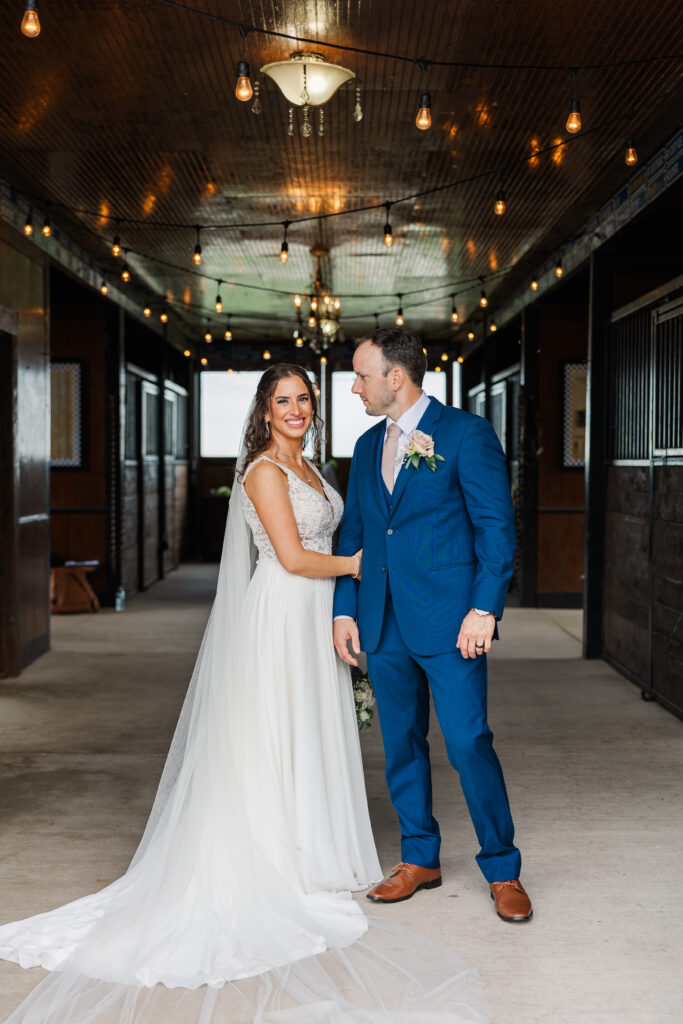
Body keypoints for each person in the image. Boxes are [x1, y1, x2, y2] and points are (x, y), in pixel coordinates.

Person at [0, 365, 484, 1024]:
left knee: (309, 733)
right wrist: (368, 565)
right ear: (263, 409)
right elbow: (291, 556)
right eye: (282, 400)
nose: (295, 409)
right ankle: (277, 859)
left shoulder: (316, 467)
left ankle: (315, 850)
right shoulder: (262, 471)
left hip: (319, 617)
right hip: (284, 614)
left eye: (304, 399)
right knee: (274, 734)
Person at [333, 328, 532, 923]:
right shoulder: (368, 446)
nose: (355, 386)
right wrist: (345, 608)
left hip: (453, 623)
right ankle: (420, 858)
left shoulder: (466, 434)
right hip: (383, 620)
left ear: (397, 377)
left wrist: (484, 608)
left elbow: (496, 528)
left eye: (362, 375)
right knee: (400, 745)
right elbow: (358, 535)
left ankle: (503, 867)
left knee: (469, 741)